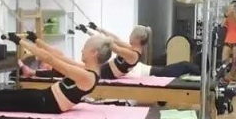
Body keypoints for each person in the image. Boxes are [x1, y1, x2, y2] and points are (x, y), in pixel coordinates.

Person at [19, 25, 200, 80]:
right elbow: (114, 38)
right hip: (103, 69)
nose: (128, 35)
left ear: (137, 38)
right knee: (66, 64)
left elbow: (111, 45)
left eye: (132, 34)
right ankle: (34, 60)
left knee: (66, 66)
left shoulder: (133, 55)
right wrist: (95, 29)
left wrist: (95, 37)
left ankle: (33, 72)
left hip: (103, 72)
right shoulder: (132, 49)